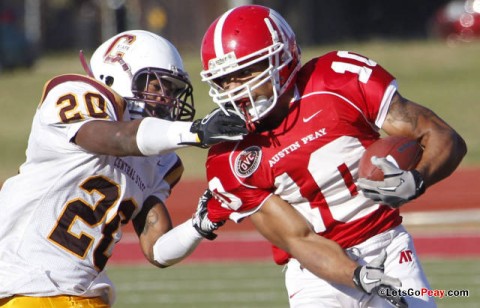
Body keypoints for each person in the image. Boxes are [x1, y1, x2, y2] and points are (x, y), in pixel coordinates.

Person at [197, 5, 467, 308]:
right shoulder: (229, 155)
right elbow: (299, 240)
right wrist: (358, 276)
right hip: (316, 275)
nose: (236, 90)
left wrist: (417, 178)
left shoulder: (335, 81)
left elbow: (443, 137)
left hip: (389, 248)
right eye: (225, 80)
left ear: (282, 58)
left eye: (246, 72)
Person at [0, 30, 245, 307]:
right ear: (117, 73)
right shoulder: (75, 95)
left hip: (86, 296)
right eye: (158, 86)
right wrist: (196, 132)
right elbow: (119, 138)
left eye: (173, 91)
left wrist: (202, 223)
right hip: (28, 288)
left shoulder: (160, 160)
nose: (168, 99)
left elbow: (157, 249)